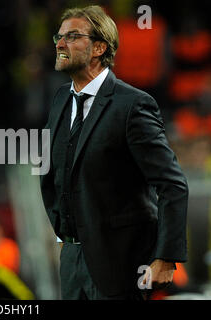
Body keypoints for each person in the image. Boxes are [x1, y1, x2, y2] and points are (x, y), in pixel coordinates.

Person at [39, 5, 188, 300]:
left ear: (99, 47)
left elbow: (171, 184)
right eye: (59, 36)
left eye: (72, 36)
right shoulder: (59, 100)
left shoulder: (132, 105)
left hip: (121, 261)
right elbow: (55, 173)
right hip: (72, 260)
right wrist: (63, 232)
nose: (59, 43)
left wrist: (166, 257)